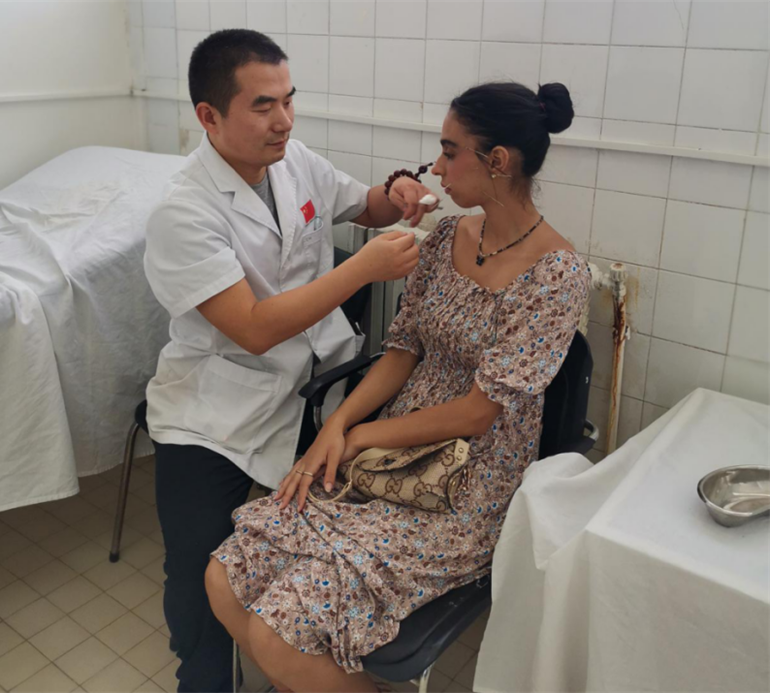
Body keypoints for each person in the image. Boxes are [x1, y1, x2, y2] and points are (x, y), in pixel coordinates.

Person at [204, 80, 592, 693]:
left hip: (465, 484)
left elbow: (475, 414)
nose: (435, 167)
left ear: (497, 162)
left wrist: (357, 435)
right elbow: (401, 350)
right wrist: (335, 426)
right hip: (386, 454)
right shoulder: (445, 240)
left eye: (449, 151)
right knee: (224, 578)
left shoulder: (558, 275)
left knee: (276, 630)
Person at [143, 29, 437, 693]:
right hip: (216, 407)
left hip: (317, 390)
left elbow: (366, 203)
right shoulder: (183, 211)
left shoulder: (293, 159)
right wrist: (362, 266)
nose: (284, 119)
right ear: (209, 117)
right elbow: (250, 328)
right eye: (263, 106)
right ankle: (206, 679)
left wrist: (400, 194)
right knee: (196, 567)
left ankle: (287, 663)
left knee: (311, 549)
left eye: (289, 99)